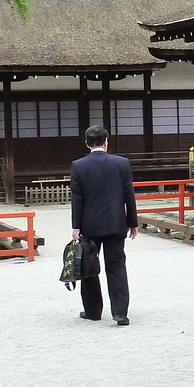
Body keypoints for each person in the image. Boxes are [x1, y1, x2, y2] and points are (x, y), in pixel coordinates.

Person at [69, 125, 138, 326]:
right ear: (106, 141)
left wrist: (76, 226)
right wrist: (132, 222)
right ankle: (120, 312)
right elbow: (129, 195)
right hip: (116, 224)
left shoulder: (78, 166)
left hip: (89, 226)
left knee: (89, 267)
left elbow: (77, 199)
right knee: (116, 266)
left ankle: (93, 311)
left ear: (87, 143)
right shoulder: (121, 163)